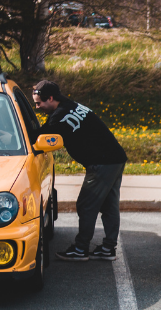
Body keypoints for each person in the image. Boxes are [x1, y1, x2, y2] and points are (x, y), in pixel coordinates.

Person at [33, 80, 128, 262]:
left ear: (51, 98)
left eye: (39, 103)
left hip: (102, 163)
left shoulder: (59, 117)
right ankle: (108, 248)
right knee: (109, 205)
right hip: (115, 158)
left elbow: (39, 137)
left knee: (86, 205)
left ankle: (80, 248)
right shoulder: (71, 105)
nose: (37, 107)